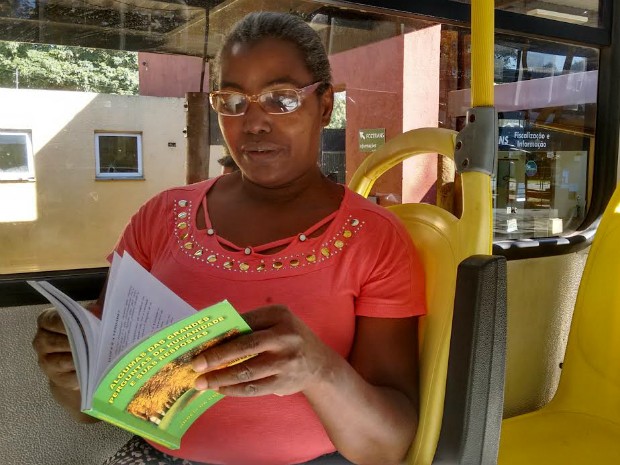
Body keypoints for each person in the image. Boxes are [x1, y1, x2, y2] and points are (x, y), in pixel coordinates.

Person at [32, 11, 426, 465]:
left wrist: (320, 370)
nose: (254, 123)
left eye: (280, 99)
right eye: (233, 102)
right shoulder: (161, 218)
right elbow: (94, 410)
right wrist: (69, 371)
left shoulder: (374, 239)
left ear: (325, 105)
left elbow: (387, 448)